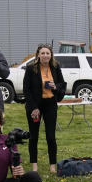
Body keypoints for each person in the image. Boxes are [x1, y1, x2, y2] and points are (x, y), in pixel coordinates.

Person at [22, 44, 66, 174]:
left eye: (48, 53)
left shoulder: (55, 67)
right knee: (33, 136)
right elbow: (26, 89)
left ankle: (53, 165)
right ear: (38, 55)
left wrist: (55, 86)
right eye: (43, 53)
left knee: (51, 136)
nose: (45, 55)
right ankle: (34, 165)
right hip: (35, 105)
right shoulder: (31, 68)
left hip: (50, 104)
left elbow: (62, 84)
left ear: (51, 55)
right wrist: (34, 108)